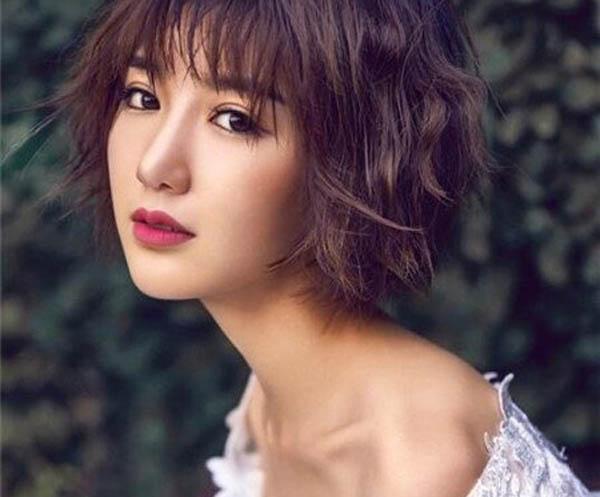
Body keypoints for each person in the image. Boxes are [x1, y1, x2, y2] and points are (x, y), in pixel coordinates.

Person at [38, 0, 597, 496]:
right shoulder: (271, 408)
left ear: (354, 160)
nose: (154, 165)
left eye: (234, 119)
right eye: (141, 96)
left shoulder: (418, 462)